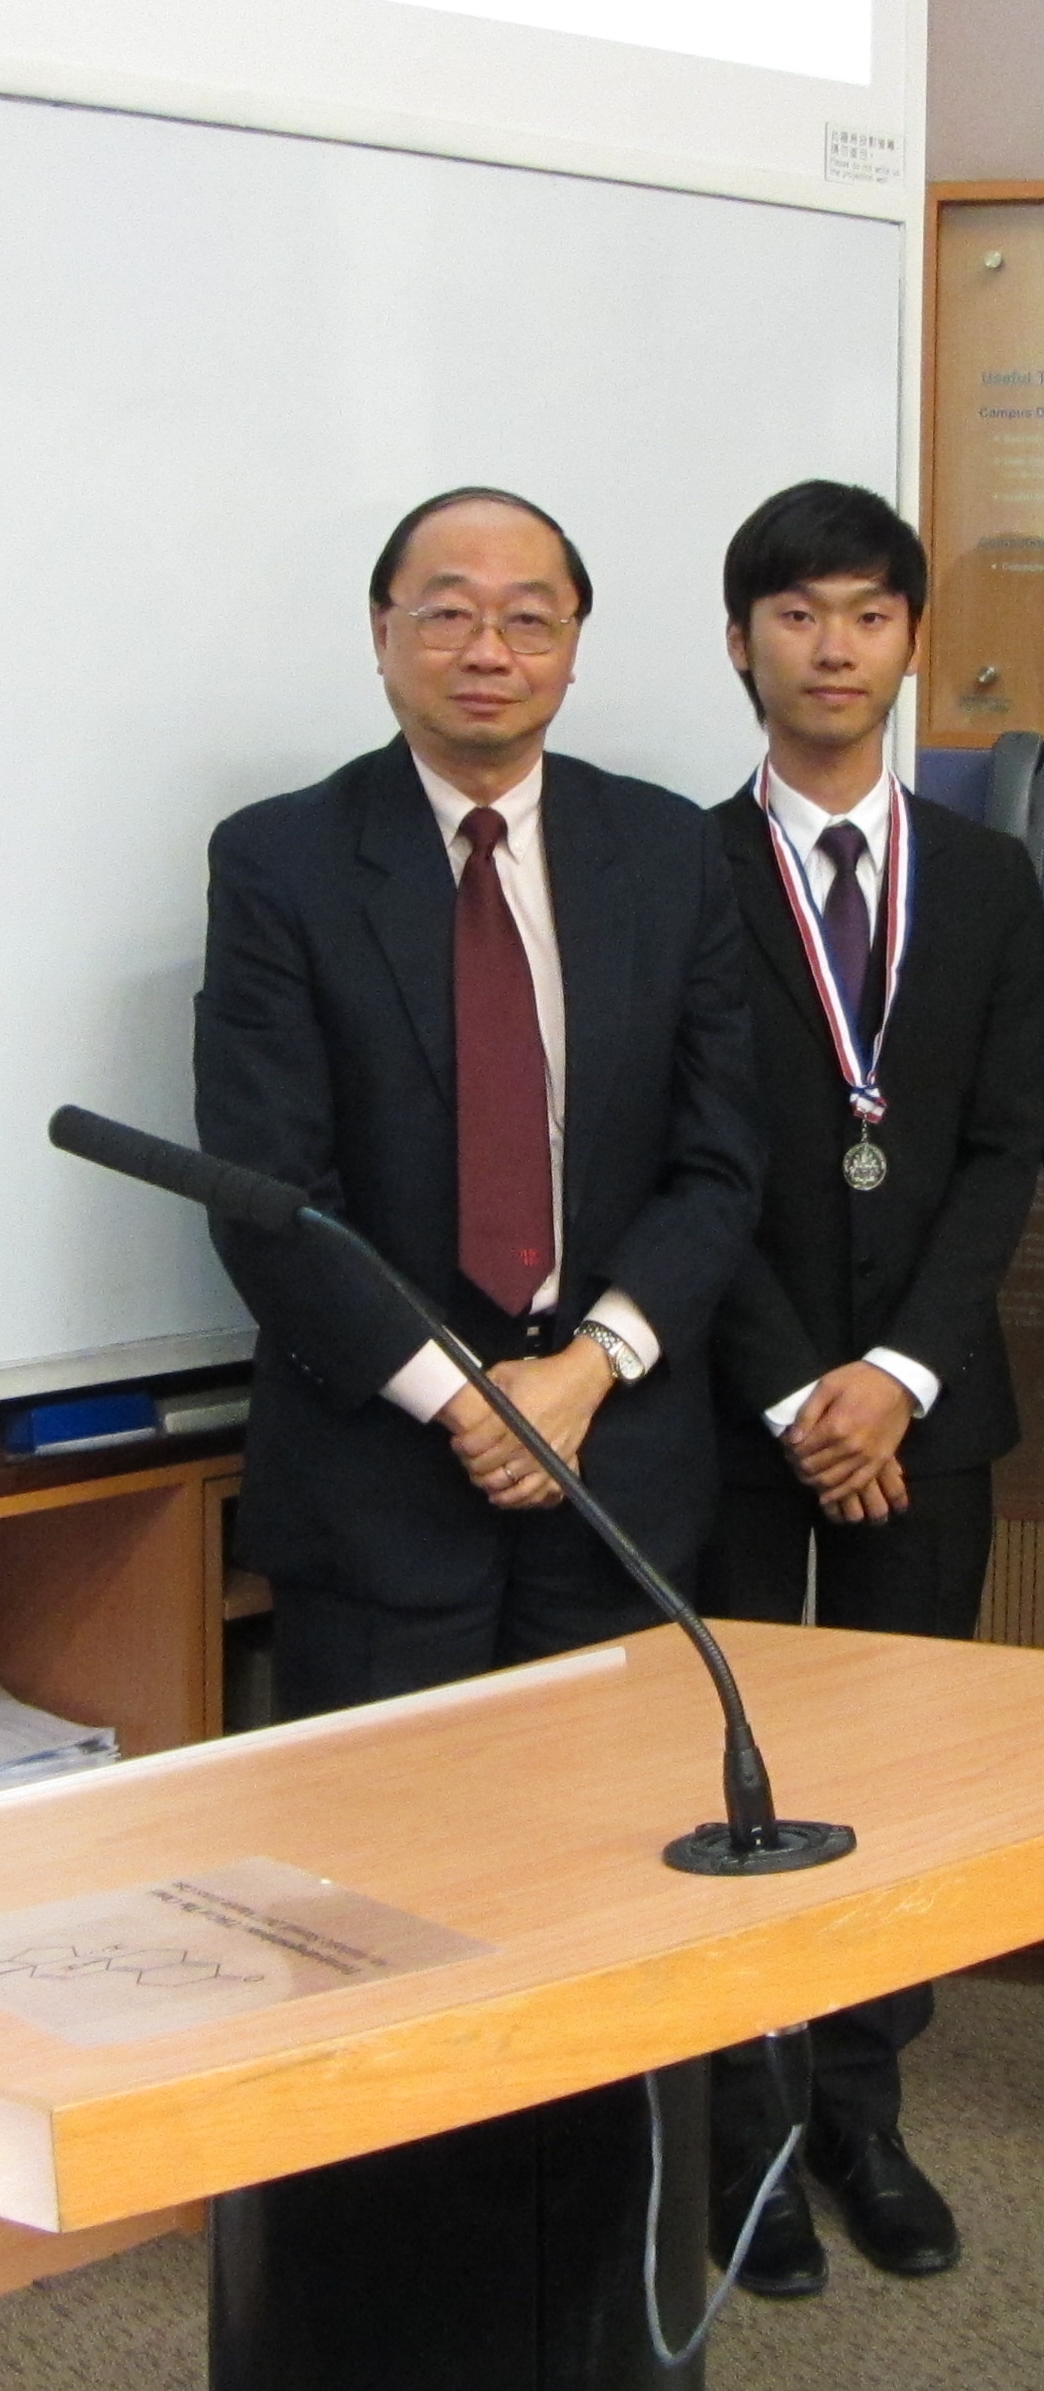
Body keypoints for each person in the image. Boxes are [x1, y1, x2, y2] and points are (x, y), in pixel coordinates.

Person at [194, 487, 760, 1714]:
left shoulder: (668, 855)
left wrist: (587, 1371)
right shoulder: (278, 863)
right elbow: (267, 1194)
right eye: (448, 615)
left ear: (573, 647)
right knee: (379, 1878)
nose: (489, 653)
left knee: (612, 1869)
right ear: (381, 632)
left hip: (620, 1469)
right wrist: (471, 1401)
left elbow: (719, 1165)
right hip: (375, 1482)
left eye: (528, 620)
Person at [699, 479, 1044, 2297]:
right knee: (743, 1772)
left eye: (864, 612)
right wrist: (792, 1391)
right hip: (737, 1413)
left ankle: (863, 2102)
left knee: (896, 1765)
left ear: (913, 640)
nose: (830, 647)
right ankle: (747, 2123)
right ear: (740, 639)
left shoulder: (989, 876)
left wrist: (898, 1374)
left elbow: (1007, 1145)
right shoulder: (672, 870)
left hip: (931, 1408)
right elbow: (673, 1160)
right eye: (794, 613)